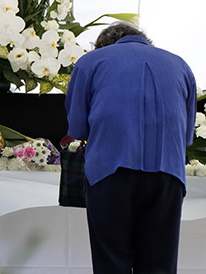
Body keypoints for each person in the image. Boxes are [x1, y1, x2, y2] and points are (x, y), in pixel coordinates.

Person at [65, 21, 196, 274]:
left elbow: (77, 128)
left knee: (111, 263)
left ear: (103, 45)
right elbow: (186, 135)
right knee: (160, 266)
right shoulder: (180, 65)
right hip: (167, 174)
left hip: (110, 171)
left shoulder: (91, 62)